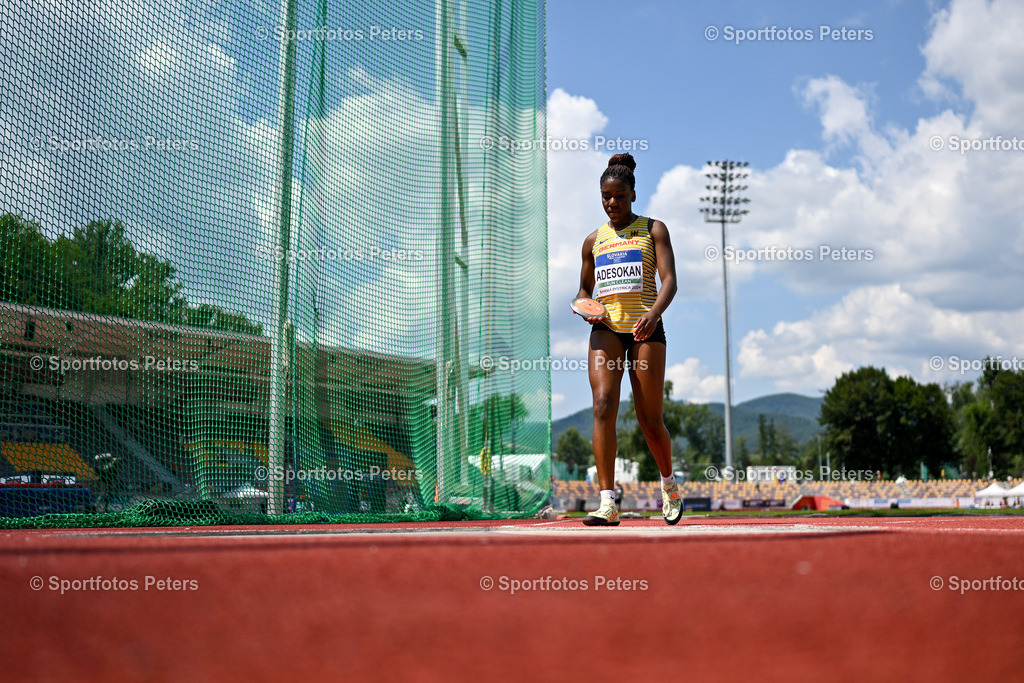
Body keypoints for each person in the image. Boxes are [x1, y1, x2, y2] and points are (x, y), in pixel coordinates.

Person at [575, 153, 681, 526]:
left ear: (633, 194)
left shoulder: (654, 230)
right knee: (604, 404)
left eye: (619, 195)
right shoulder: (592, 241)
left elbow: (669, 281)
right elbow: (583, 290)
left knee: (650, 420)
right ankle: (607, 502)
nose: (612, 203)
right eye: (605, 196)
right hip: (606, 329)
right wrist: (583, 305)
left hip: (645, 328)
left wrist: (654, 314)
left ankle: (668, 483)